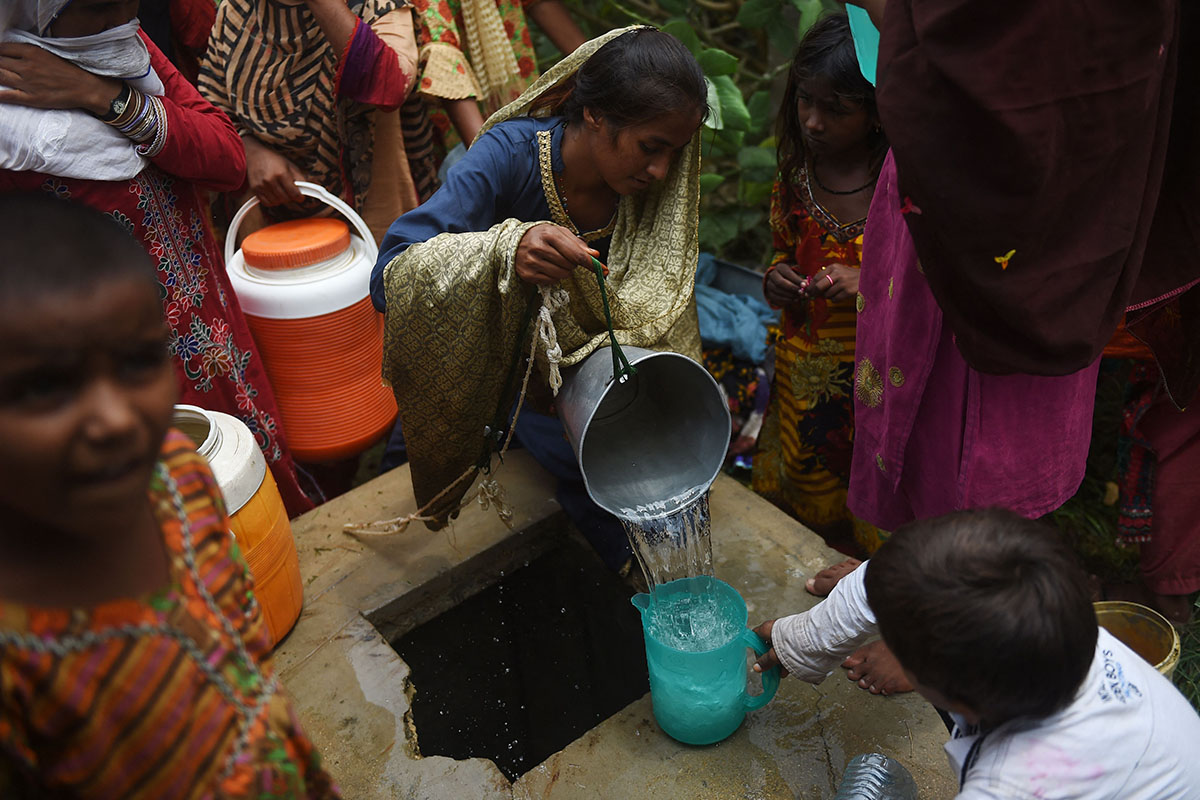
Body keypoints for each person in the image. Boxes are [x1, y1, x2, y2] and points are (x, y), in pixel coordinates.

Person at [809, 0, 1199, 696]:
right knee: (911, 400)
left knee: (983, 435)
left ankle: (946, 620)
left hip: (1022, 199)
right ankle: (901, 575)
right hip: (934, 165)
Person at [0, 194, 338, 798]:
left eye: (137, 363)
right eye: (45, 388)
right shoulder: (17, 654)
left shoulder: (181, 476)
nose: (114, 418)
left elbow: (243, 637)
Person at [371, 26, 707, 572]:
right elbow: (392, 273)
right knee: (421, 522)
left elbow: (660, 306)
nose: (662, 171)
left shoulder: (653, 193)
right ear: (594, 114)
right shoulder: (510, 158)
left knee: (647, 503)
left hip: (587, 387)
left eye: (676, 152)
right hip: (488, 374)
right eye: (651, 148)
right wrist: (506, 251)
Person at [0, 0, 312, 516]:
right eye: (100, 10)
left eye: (130, 7)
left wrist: (102, 96)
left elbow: (226, 158)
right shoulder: (11, 122)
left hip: (217, 340)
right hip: (124, 380)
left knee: (259, 489)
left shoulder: (123, 51)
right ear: (38, 12)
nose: (121, 23)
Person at [752, 508, 1200, 798]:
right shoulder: (1051, 625)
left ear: (950, 697)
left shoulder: (1011, 783)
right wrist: (800, 642)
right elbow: (896, 579)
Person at [752, 13, 888, 555]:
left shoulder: (901, 185)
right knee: (814, 491)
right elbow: (783, 252)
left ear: (876, 112)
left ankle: (873, 577)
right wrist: (777, 279)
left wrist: (868, 283)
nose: (812, 121)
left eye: (836, 109)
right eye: (805, 101)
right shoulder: (795, 177)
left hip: (879, 376)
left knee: (878, 495)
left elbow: (932, 283)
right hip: (807, 373)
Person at [199, 0, 440, 244]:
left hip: (371, 216)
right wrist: (250, 151)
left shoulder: (374, 5)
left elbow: (389, 86)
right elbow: (212, 104)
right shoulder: (237, 9)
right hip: (269, 221)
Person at [412, 0, 587, 149]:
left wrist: (594, 65)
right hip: (458, 134)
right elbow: (442, 55)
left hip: (522, 108)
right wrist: (490, 155)